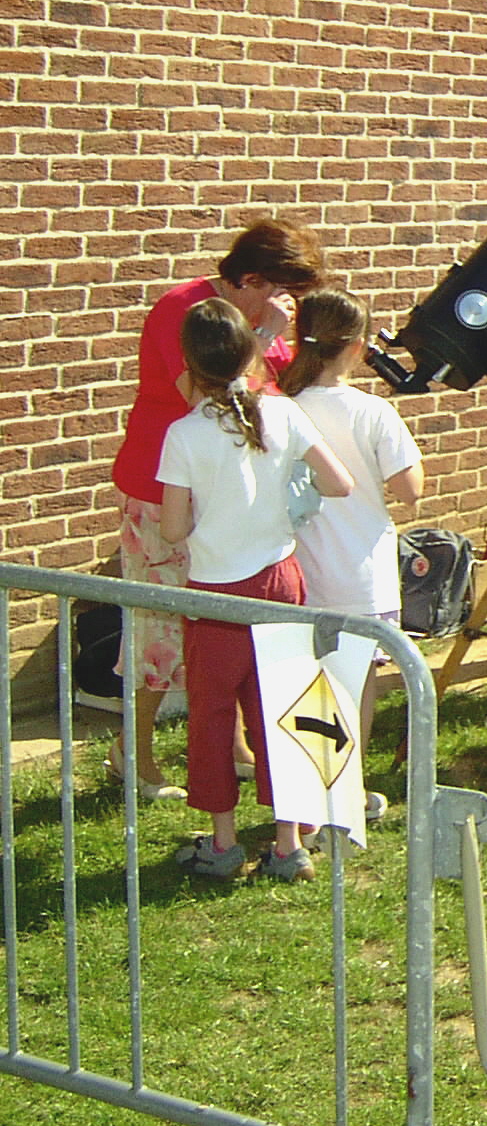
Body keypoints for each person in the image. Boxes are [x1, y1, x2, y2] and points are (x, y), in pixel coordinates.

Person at [109, 218, 326, 801]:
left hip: (233, 498)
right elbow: (202, 398)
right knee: (160, 627)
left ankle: (234, 747)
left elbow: (279, 398)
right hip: (164, 492)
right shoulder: (184, 311)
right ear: (248, 278)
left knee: (226, 623)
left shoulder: (261, 324)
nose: (286, 305)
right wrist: (261, 338)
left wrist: (282, 340)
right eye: (281, 291)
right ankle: (135, 751)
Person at [158, 299, 352, 880]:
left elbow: (171, 528)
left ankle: (222, 843)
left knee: (214, 716)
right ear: (251, 353)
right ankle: (289, 841)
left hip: (215, 591)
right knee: (282, 706)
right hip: (279, 580)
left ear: (191, 365)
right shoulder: (283, 413)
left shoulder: (184, 434)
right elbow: (338, 482)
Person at [280, 290, 424, 762]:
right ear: (358, 346)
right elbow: (410, 491)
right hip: (360, 571)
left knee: (301, 686)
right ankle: (349, 784)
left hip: (298, 569)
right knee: (356, 682)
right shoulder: (373, 411)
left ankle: (306, 784)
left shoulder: (282, 406)